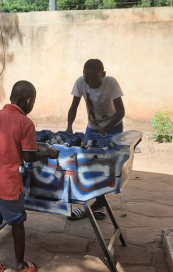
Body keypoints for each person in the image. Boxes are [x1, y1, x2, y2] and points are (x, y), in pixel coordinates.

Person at [0, 81, 59, 272]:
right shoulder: (25, 123)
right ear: (28, 101)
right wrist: (48, 153)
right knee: (17, 222)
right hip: (8, 185)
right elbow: (29, 156)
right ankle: (20, 264)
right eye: (33, 101)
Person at [66, 59, 125, 221]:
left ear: (103, 75)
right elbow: (73, 107)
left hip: (113, 127)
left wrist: (106, 129)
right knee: (89, 165)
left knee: (106, 167)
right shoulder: (81, 82)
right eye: (87, 78)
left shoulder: (111, 83)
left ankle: (98, 205)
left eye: (93, 78)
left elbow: (121, 112)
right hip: (93, 128)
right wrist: (69, 127)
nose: (89, 82)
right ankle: (98, 203)